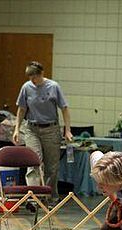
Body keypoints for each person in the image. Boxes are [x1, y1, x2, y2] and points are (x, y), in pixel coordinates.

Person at [12, 61, 72, 203]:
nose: (32, 80)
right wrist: (16, 129)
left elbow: (64, 108)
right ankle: (33, 198)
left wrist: (67, 130)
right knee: (34, 162)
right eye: (29, 77)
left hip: (51, 129)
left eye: (35, 77)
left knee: (52, 166)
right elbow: (21, 109)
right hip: (32, 129)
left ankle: (50, 197)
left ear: (42, 74)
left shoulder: (53, 87)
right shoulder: (26, 88)